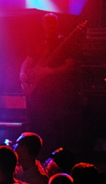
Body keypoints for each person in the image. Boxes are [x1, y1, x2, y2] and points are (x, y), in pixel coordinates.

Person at [19, 13, 83, 155]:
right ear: (43, 24)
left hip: (55, 92)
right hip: (37, 92)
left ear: (56, 24)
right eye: (47, 23)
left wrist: (50, 72)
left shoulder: (64, 42)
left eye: (52, 23)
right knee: (36, 124)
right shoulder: (39, 43)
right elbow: (27, 61)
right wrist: (22, 73)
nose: (49, 26)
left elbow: (70, 65)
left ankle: (52, 155)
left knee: (53, 126)